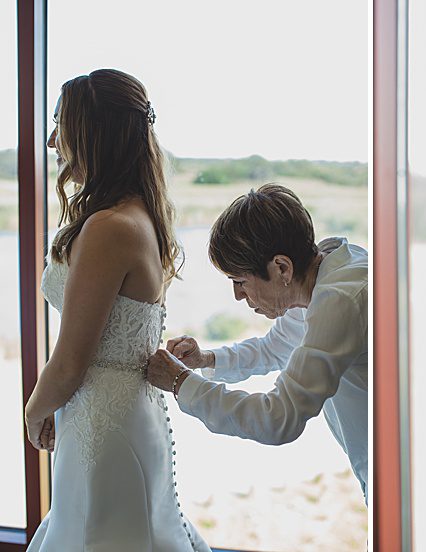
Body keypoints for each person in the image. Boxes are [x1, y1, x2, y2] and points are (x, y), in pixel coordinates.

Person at [24, 68, 211, 551]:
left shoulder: (109, 228)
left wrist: (33, 411)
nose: (51, 142)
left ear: (92, 135)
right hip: (115, 417)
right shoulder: (137, 216)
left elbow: (70, 362)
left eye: (60, 125)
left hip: (102, 429)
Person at [145, 184, 369, 498]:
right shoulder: (317, 275)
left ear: (281, 268)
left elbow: (278, 418)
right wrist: (205, 360)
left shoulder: (339, 300)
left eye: (240, 281)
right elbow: (276, 347)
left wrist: (182, 383)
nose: (238, 295)